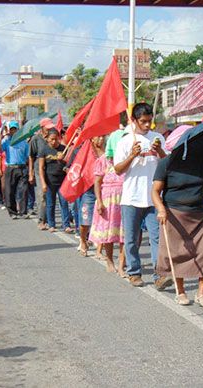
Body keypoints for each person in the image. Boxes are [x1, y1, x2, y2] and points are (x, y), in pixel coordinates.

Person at [152, 154, 203, 308]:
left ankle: (201, 293)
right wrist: (160, 209)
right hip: (174, 214)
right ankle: (180, 292)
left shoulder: (201, 163)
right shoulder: (166, 163)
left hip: (200, 214)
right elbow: (155, 191)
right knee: (178, 252)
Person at [114, 103, 166, 287]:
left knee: (157, 238)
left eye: (149, 121)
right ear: (134, 120)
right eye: (143, 121)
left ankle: (159, 274)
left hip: (153, 198)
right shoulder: (125, 141)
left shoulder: (157, 138)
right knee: (131, 238)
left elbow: (167, 163)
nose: (146, 125)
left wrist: (159, 150)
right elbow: (118, 169)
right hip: (131, 197)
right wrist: (131, 156)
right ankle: (134, 272)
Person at [89, 147, 125, 275]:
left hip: (125, 199)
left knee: (125, 234)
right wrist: (99, 201)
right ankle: (110, 261)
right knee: (108, 233)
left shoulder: (128, 158)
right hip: (107, 200)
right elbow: (97, 182)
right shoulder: (103, 160)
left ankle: (122, 265)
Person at [39, 129, 73, 233]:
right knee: (50, 203)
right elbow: (41, 168)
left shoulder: (63, 149)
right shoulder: (44, 150)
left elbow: (69, 163)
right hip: (49, 181)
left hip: (62, 181)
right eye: (51, 139)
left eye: (55, 139)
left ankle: (66, 225)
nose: (53, 141)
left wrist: (63, 159)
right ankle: (51, 224)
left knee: (64, 203)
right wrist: (43, 183)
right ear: (47, 139)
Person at [77, 136, 105, 256]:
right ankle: (83, 240)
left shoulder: (106, 152)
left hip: (104, 190)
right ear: (92, 139)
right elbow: (75, 166)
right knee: (85, 220)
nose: (101, 139)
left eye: (103, 137)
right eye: (98, 137)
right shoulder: (85, 151)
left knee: (103, 221)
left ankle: (99, 249)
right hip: (89, 190)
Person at [0, 121, 30, 219]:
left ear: (18, 130)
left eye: (15, 129)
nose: (13, 131)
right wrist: (0, 137)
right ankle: (12, 212)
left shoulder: (24, 142)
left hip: (22, 168)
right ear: (9, 130)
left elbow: (28, 157)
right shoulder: (6, 141)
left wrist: (30, 169)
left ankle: (23, 211)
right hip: (10, 168)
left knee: (23, 190)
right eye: (11, 129)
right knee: (9, 191)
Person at [29, 119, 52, 229]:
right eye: (47, 128)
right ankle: (41, 220)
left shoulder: (53, 137)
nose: (49, 129)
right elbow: (31, 156)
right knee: (41, 194)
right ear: (42, 127)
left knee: (51, 195)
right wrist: (31, 173)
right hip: (39, 168)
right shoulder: (36, 139)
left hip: (51, 167)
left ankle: (49, 220)